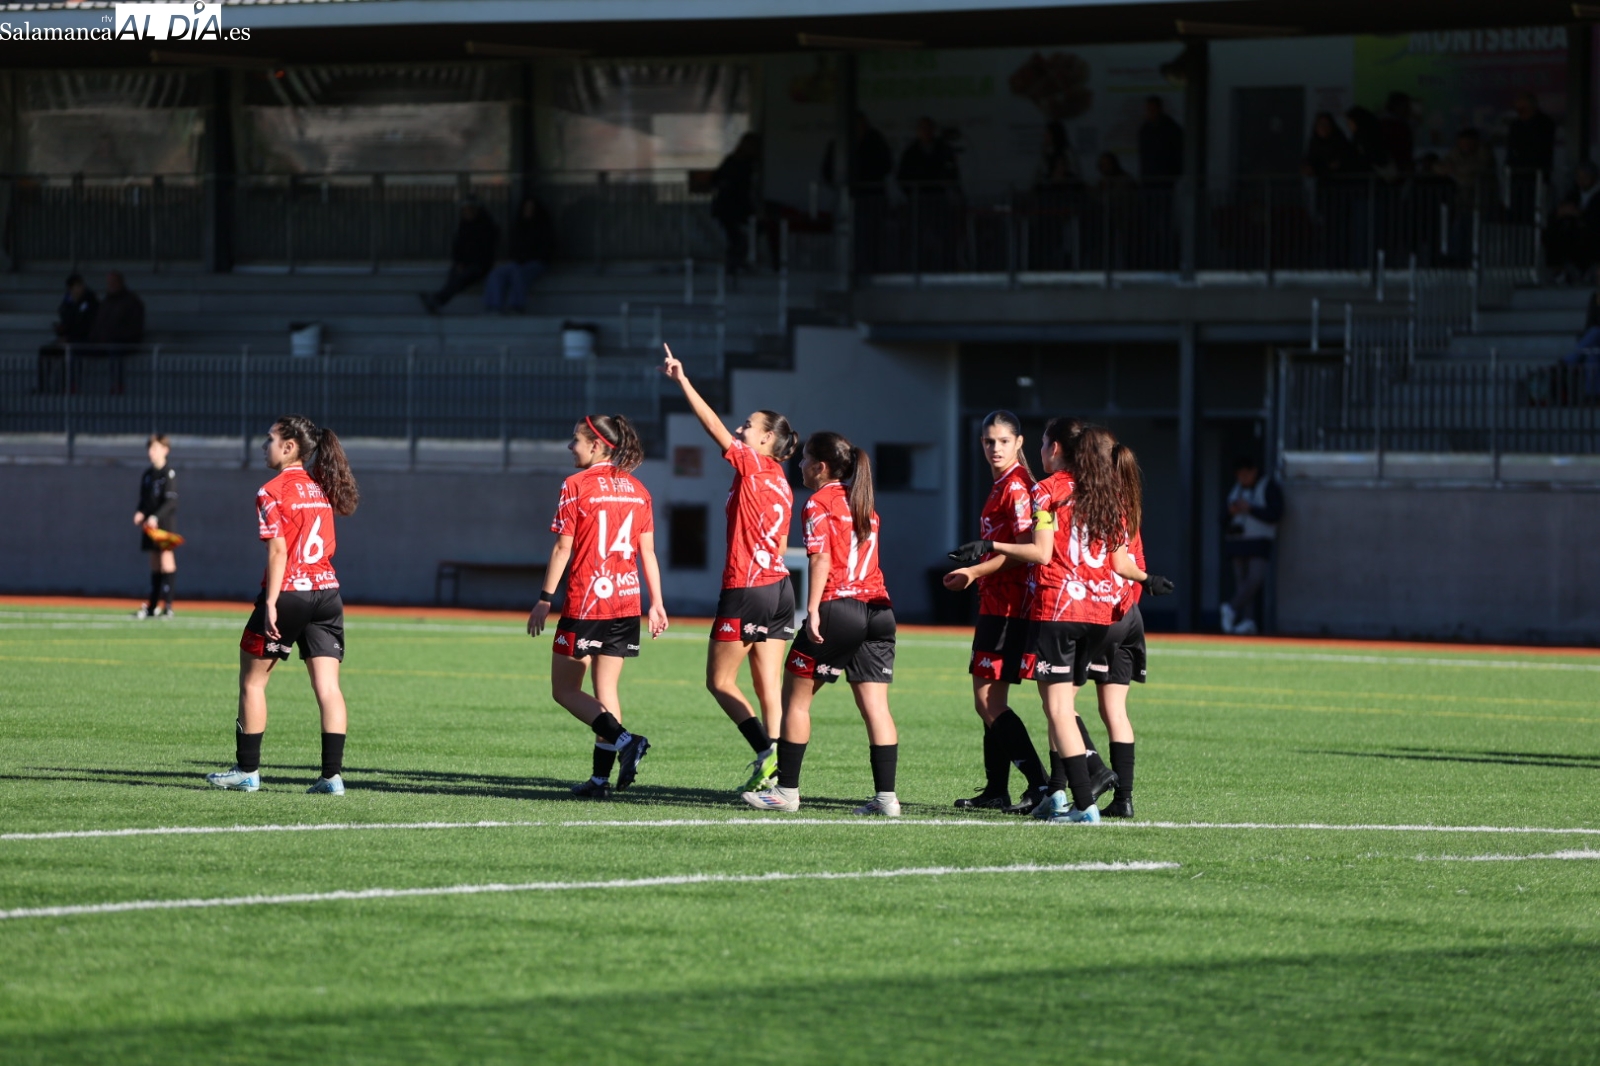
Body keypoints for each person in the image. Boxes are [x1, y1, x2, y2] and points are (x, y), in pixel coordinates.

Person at [966, 422, 1164, 825]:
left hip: (1058, 610)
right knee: (1077, 707)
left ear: (1055, 447)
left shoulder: (1046, 490)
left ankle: (1083, 802)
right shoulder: (1112, 498)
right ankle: (1061, 793)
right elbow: (1121, 562)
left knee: (1057, 708)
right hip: (1105, 613)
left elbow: (1041, 553)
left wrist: (990, 546)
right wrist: (1149, 580)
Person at [661, 346, 799, 793]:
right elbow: (779, 544)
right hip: (780, 588)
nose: (740, 429)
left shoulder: (754, 465)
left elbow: (712, 426)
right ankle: (778, 773)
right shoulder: (782, 482)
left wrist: (682, 380)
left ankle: (766, 751)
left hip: (747, 587)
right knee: (768, 687)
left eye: (748, 426)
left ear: (764, 441)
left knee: (719, 681)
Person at [742, 432, 901, 817]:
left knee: (795, 699)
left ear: (821, 466)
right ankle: (887, 799)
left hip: (840, 606)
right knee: (876, 708)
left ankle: (787, 793)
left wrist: (811, 609)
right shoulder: (865, 502)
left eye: (805, 460)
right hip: (879, 610)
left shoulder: (818, 502)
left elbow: (821, 560)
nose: (799, 466)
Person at [206, 416, 361, 794]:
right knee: (328, 687)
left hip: (290, 593)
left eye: (270, 439)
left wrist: (272, 601)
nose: (264, 446)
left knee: (253, 682)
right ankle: (332, 777)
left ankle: (247, 771)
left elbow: (278, 551)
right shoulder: (320, 488)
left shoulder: (270, 491)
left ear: (290, 446)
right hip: (327, 594)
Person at [527, 413, 667, 799]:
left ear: (596, 445)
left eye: (575, 440)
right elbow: (648, 552)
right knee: (606, 691)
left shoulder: (575, 485)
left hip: (588, 602)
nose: (570, 446)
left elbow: (562, 547)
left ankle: (626, 742)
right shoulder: (639, 490)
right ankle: (600, 781)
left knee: (564, 690)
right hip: (626, 601)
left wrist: (544, 599)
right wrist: (656, 603)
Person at [940, 411, 1051, 813]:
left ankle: (1040, 785)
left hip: (1009, 604)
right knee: (991, 698)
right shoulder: (1001, 485)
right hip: (996, 600)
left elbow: (1026, 552)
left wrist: (973, 570)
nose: (995, 448)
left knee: (987, 701)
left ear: (1020, 443)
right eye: (989, 441)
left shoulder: (1017, 487)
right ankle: (996, 790)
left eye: (1004, 441)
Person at [1086, 440, 1163, 819]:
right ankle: (1124, 799)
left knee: (1058, 703)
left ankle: (1069, 783)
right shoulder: (1130, 510)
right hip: (1130, 615)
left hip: (1103, 617)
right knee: (1114, 709)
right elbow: (1138, 564)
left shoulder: (1100, 509)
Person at [1221, 456, 1284, 636]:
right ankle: (1248, 621)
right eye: (1239, 475)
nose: (1242, 478)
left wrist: (1250, 508)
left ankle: (1231, 608)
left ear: (1254, 472)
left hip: (1259, 542)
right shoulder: (1235, 490)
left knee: (1255, 579)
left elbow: (1275, 513)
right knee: (1242, 584)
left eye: (1245, 474)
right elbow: (1222, 518)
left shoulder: (1267, 487)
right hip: (1237, 542)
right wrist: (1230, 512)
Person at [420, 197, 498, 313]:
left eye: (469, 210)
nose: (467, 213)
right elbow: (458, 247)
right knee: (455, 276)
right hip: (465, 263)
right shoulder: (464, 226)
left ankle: (437, 299)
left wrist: (467, 263)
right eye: (465, 210)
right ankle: (438, 300)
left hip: (480, 265)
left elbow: (484, 251)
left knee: (462, 278)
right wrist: (459, 262)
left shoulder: (486, 227)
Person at [132, 434, 178, 620]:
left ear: (165, 450)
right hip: (149, 526)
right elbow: (144, 500)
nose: (152, 452)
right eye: (150, 449)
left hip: (164, 525)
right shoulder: (147, 475)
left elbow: (171, 501)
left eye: (156, 448)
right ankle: (152, 605)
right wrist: (140, 512)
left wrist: (155, 516)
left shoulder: (168, 473)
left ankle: (168, 606)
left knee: (166, 561)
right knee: (154, 563)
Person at [483, 197, 553, 314]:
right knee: (496, 273)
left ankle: (516, 306)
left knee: (518, 272)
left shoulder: (543, 227)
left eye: (531, 208)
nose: (528, 211)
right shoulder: (518, 226)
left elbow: (546, 250)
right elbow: (513, 248)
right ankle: (493, 307)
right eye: (526, 208)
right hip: (518, 262)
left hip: (537, 262)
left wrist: (527, 257)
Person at [711, 132, 762, 276]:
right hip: (732, 207)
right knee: (738, 238)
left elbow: (716, 180)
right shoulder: (742, 164)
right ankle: (735, 265)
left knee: (738, 237)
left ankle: (736, 265)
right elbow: (743, 188)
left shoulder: (736, 161)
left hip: (731, 207)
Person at [36, 274, 97, 393]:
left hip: (82, 339)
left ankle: (65, 387)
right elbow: (66, 318)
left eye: (79, 286)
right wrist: (61, 329)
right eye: (74, 287)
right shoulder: (68, 302)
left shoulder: (90, 302)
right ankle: (43, 387)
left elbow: (86, 326)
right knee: (45, 351)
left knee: (67, 353)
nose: (77, 289)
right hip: (69, 337)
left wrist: (69, 337)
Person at [87, 271, 144, 394]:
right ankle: (71, 386)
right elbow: (97, 324)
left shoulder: (132, 301)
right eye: (109, 283)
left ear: (121, 283)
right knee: (74, 349)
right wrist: (93, 338)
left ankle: (117, 386)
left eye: (113, 282)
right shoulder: (106, 302)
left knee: (115, 349)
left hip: (124, 341)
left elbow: (134, 327)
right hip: (104, 341)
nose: (110, 285)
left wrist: (117, 337)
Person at [1545, 162, 1600, 283]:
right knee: (1553, 234)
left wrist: (1579, 215)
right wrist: (1559, 213)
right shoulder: (1573, 195)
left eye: (1585, 177)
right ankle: (1559, 272)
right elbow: (1558, 213)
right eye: (1579, 177)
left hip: (1593, 236)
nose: (1581, 181)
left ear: (1594, 178)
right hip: (1573, 234)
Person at [1137, 96, 1183, 183]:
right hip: (1149, 176)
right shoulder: (1145, 129)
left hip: (1166, 176)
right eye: (1148, 109)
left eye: (1153, 109)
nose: (1150, 112)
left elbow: (1177, 151)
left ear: (1159, 109)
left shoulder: (1171, 128)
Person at [1303, 112, 1353, 180]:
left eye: (1326, 124)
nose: (1323, 128)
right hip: (1322, 183)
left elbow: (1344, 160)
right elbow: (1310, 160)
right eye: (1320, 124)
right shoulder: (1314, 143)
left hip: (1341, 183)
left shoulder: (1339, 141)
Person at [1379, 91, 1415, 174]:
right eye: (1406, 106)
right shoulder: (1398, 127)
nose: (1409, 110)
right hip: (1397, 173)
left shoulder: (1381, 123)